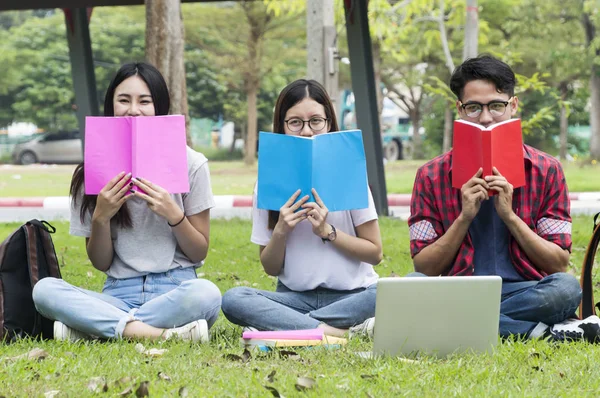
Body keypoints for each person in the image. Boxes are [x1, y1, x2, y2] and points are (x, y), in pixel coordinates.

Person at [408, 55, 600, 342]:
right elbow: (423, 267)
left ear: (513, 105)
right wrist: (465, 217)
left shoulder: (546, 170)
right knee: (413, 287)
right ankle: (539, 332)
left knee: (567, 288)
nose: (485, 117)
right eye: (473, 107)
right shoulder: (430, 175)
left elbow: (558, 263)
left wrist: (510, 216)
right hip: (460, 290)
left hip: (526, 290)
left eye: (496, 105)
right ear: (460, 109)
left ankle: (457, 322)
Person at [32, 62, 221, 342]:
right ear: (111, 105)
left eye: (145, 101)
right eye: (124, 100)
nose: (133, 109)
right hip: (119, 293)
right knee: (44, 290)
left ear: (160, 107)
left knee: (207, 294)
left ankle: (97, 329)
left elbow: (198, 252)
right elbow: (100, 262)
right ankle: (158, 335)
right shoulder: (91, 171)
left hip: (175, 289)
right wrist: (101, 217)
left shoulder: (191, 163)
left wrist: (174, 214)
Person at [221, 79, 382, 338]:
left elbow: (375, 253)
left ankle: (291, 326)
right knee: (234, 298)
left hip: (354, 296)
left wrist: (328, 231)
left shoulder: (349, 172)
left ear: (329, 123)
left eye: (316, 121)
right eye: (295, 122)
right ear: (282, 127)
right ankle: (337, 332)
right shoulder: (267, 182)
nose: (307, 132)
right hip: (294, 298)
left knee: (386, 294)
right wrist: (281, 231)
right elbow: (270, 268)